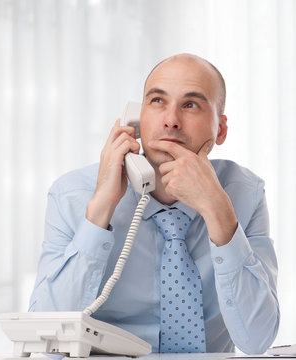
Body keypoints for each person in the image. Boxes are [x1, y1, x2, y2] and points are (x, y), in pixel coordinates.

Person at [28, 54, 279, 354]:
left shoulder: (244, 194)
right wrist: (99, 213)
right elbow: (45, 337)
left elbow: (258, 339)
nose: (171, 120)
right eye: (157, 101)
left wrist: (218, 211)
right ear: (136, 120)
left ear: (220, 130)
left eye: (191, 104)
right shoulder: (72, 194)